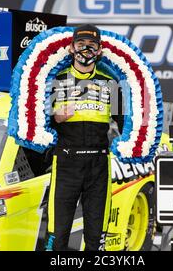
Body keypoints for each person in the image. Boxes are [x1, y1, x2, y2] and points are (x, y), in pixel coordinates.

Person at [45, 24, 123, 251]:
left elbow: (125, 122)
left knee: (96, 233)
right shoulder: (56, 81)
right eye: (81, 45)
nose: (86, 50)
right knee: (58, 232)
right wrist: (56, 118)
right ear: (71, 48)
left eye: (92, 46)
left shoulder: (111, 83)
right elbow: (38, 123)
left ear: (99, 50)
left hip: (98, 164)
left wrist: (133, 144)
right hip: (66, 162)